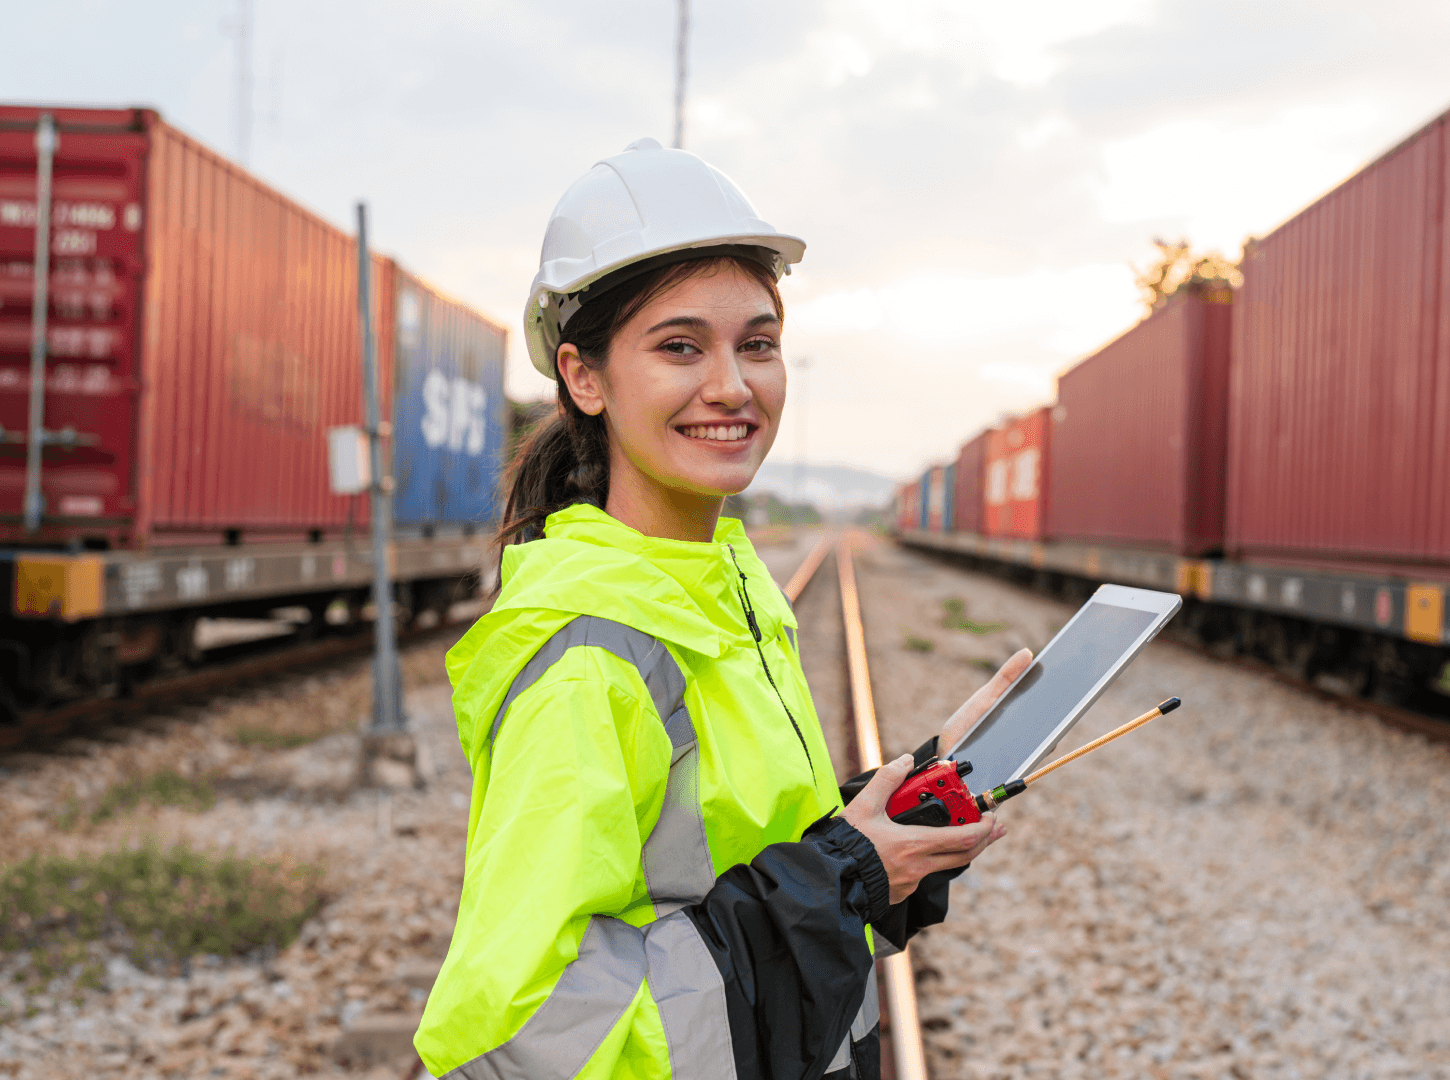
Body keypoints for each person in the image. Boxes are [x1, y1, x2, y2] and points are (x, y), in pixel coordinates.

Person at [414, 138, 1032, 1080]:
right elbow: (525, 1033)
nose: (733, 386)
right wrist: (842, 879)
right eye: (680, 346)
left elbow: (733, 863)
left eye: (758, 344)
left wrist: (885, 820)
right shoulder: (590, 649)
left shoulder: (722, 585)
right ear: (584, 377)